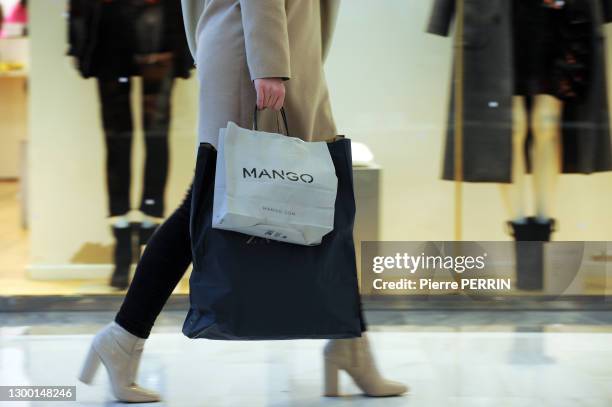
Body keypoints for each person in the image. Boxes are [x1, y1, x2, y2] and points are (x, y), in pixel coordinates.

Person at [78, 0, 408, 402]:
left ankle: (348, 342)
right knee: (214, 205)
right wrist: (268, 62)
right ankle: (123, 337)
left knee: (312, 198)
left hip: (271, 52)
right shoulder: (264, 59)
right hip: (258, 60)